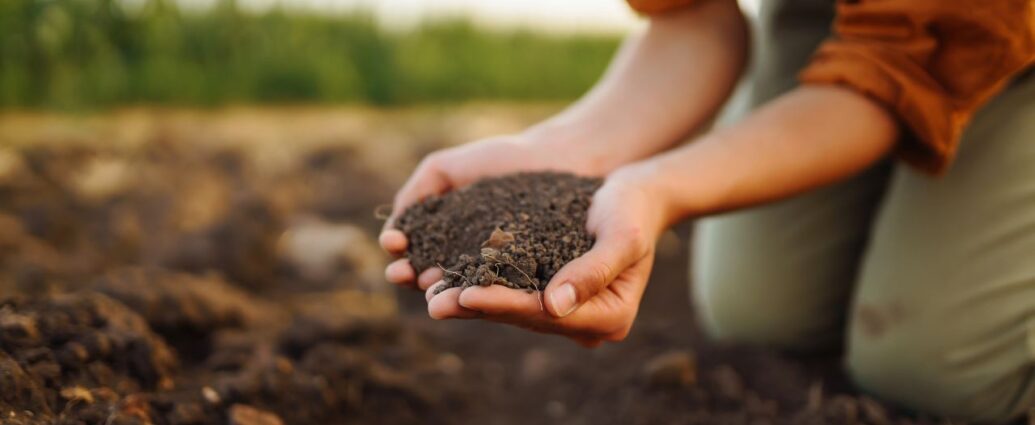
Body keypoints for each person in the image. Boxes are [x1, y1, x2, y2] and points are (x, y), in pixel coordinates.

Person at [379, 0, 1034, 421]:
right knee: (760, 310)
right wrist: (560, 150)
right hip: (837, 17)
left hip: (999, 24)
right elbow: (690, 15)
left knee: (937, 371)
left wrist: (660, 187)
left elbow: (891, 70)